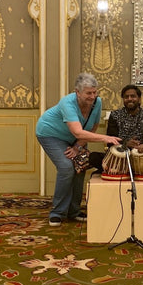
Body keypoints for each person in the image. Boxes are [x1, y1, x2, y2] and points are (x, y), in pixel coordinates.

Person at [36, 73, 121, 227]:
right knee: (66, 167)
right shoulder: (67, 102)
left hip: (76, 139)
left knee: (80, 167)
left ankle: (74, 211)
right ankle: (57, 213)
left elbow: (92, 127)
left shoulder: (97, 102)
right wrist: (105, 138)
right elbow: (77, 131)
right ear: (77, 92)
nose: (93, 96)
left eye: (95, 92)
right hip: (50, 134)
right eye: (89, 93)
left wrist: (77, 147)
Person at [89, 84, 143, 172]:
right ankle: (131, 170)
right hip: (120, 154)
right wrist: (126, 143)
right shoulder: (115, 115)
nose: (129, 99)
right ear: (123, 99)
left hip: (140, 154)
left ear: (139, 98)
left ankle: (120, 170)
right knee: (93, 157)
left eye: (133, 96)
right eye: (126, 97)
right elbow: (110, 139)